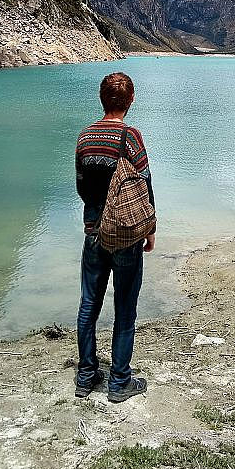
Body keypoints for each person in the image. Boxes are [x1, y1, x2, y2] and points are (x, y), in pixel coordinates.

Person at [75, 71, 155, 403]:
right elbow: (145, 187)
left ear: (101, 98)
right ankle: (120, 381)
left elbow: (81, 187)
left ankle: (86, 375)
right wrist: (150, 228)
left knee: (89, 303)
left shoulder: (85, 137)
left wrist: (96, 213)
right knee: (124, 308)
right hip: (125, 237)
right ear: (131, 100)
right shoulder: (130, 137)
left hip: (94, 232)